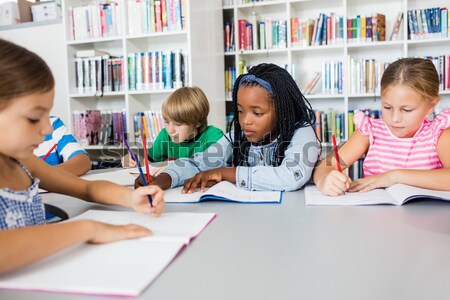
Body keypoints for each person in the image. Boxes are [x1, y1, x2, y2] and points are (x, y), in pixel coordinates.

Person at [0, 39, 164, 274]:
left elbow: (86, 189)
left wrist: (130, 198)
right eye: (34, 118)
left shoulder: (24, 163)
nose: (47, 129)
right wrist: (88, 229)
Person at [138, 63, 321, 192]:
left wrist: (226, 173)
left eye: (257, 113)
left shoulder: (301, 133)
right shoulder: (238, 136)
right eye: (240, 112)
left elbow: (291, 176)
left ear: (282, 111)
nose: (245, 121)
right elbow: (199, 162)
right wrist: (165, 179)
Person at [313, 57, 450, 196]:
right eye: (387, 107)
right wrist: (325, 179)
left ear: (431, 105)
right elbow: (324, 167)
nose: (395, 119)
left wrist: (395, 177)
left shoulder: (439, 134)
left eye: (407, 110)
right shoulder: (370, 131)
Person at [122, 86, 223, 166]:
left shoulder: (213, 135)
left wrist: (174, 165)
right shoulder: (165, 136)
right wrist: (133, 162)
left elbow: (220, 163)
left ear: (197, 122)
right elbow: (148, 162)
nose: (170, 130)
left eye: (178, 124)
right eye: (166, 122)